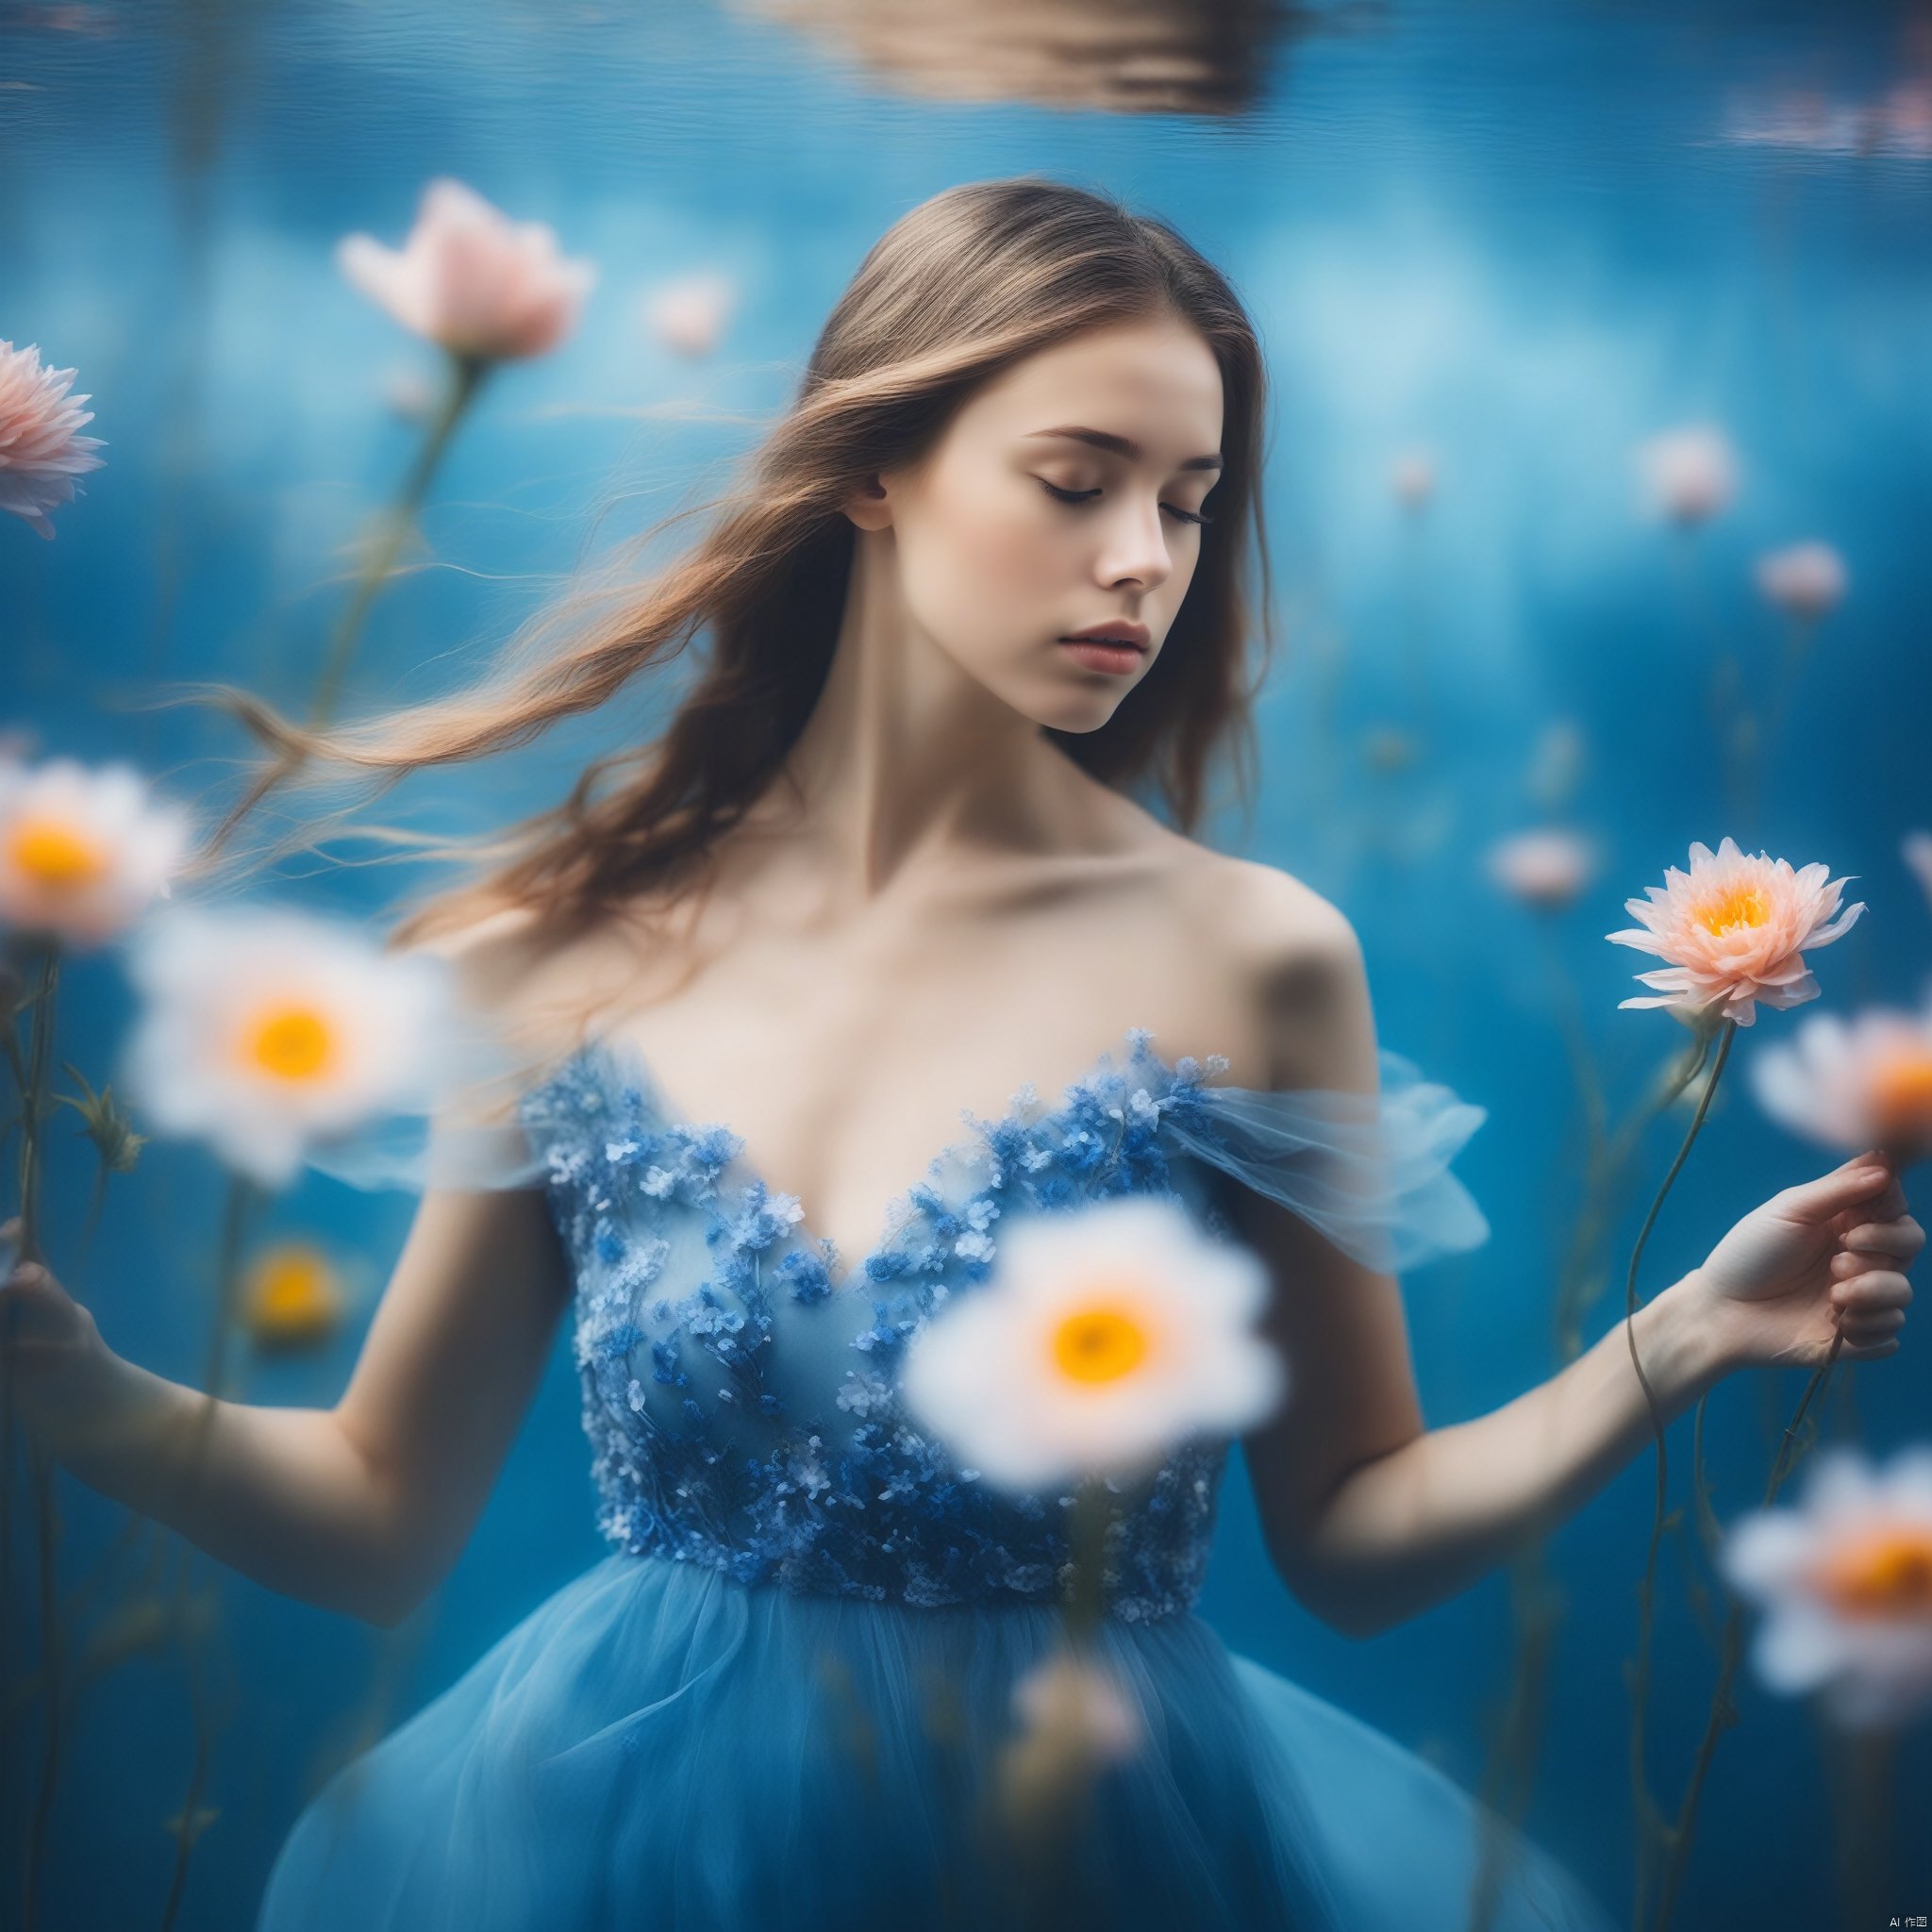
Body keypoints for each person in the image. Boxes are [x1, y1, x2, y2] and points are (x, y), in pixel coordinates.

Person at [0, 177, 1918, 1932]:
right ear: (875, 470)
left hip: (1105, 1839)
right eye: (1078, 479)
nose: (1144, 564)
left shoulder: (1250, 956)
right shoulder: (565, 951)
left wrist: (1686, 1331)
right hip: (620, 1845)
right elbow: (376, 1514)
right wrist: (86, 1396)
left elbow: (1351, 1538)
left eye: (1185, 500)